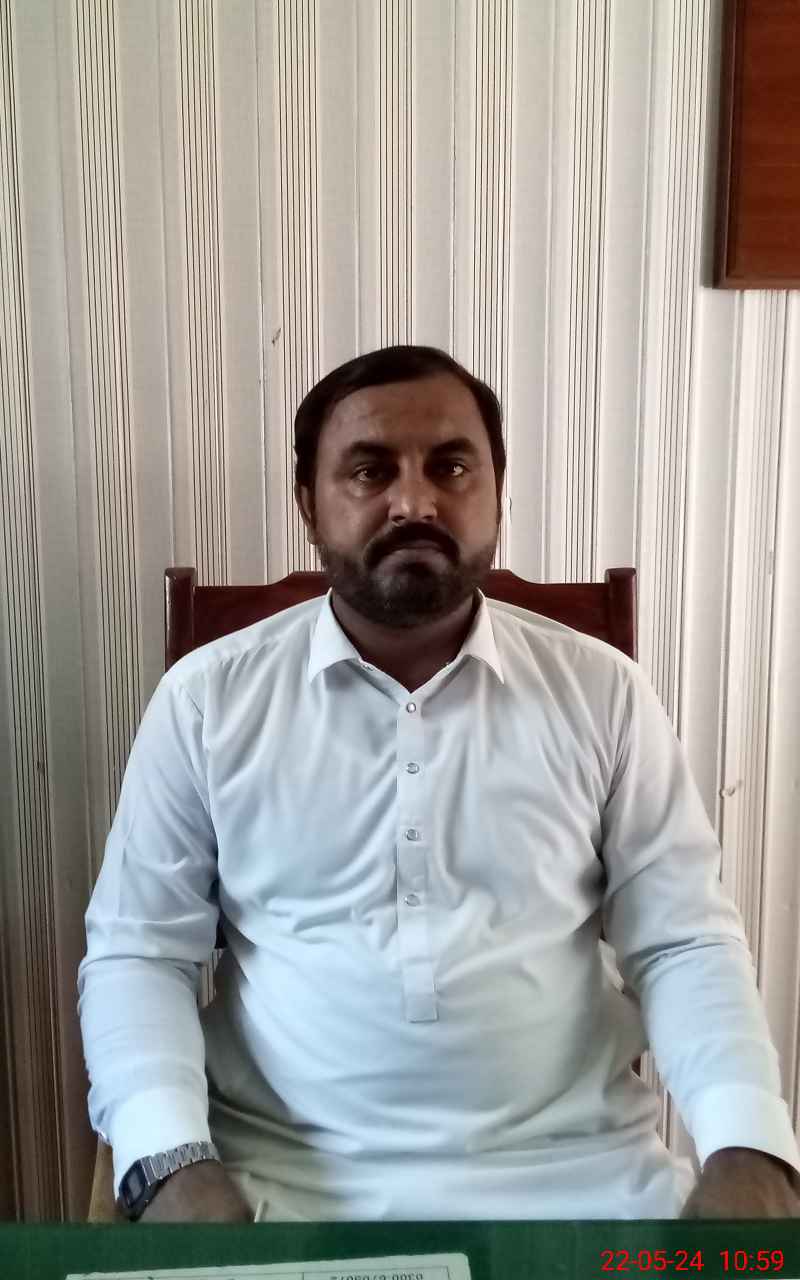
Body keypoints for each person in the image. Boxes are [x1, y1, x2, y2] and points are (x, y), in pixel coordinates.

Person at [78, 345, 800, 1224]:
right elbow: (141, 951)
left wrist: (748, 1146)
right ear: (308, 505)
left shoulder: (603, 692)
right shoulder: (206, 702)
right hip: (276, 1183)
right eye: (370, 470)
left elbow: (682, 940)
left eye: (451, 467)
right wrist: (170, 1163)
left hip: (583, 1180)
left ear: (498, 492)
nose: (414, 502)